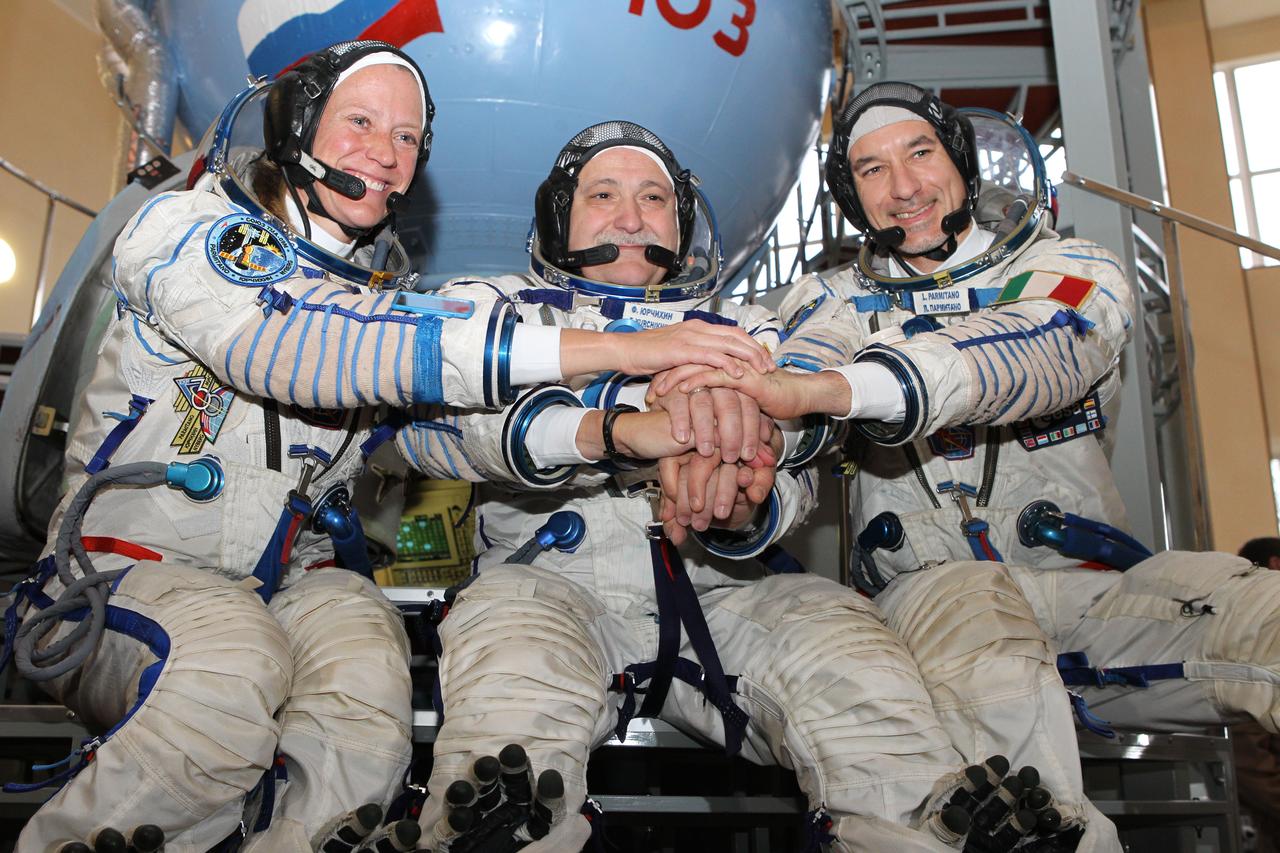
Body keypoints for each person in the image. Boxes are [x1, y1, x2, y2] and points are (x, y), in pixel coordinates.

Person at [6, 42, 772, 853]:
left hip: (289, 585)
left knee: (368, 702)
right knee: (230, 667)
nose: (386, 153)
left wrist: (620, 434)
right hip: (124, 577)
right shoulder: (190, 230)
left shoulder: (377, 302)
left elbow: (447, 432)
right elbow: (296, 346)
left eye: (407, 139)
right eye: (362, 122)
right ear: (295, 126)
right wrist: (614, 351)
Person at [400, 120, 1022, 853]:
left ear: (681, 221)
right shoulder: (497, 311)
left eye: (654, 198)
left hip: (724, 589)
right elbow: (425, 427)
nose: (631, 218)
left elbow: (800, 454)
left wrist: (748, 494)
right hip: (546, 589)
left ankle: (933, 829)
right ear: (558, 218)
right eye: (604, 195)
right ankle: (495, 830)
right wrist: (623, 427)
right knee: (506, 738)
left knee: (850, 658)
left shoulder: (746, 327)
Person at [656, 81, 1134, 850]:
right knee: (988, 655)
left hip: (1089, 590)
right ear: (851, 196)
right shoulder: (834, 301)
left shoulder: (1070, 267)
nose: (904, 186)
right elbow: (796, 403)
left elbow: (1043, 348)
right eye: (872, 169)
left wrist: (837, 389)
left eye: (920, 153)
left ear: (963, 163)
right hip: (936, 597)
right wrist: (751, 487)